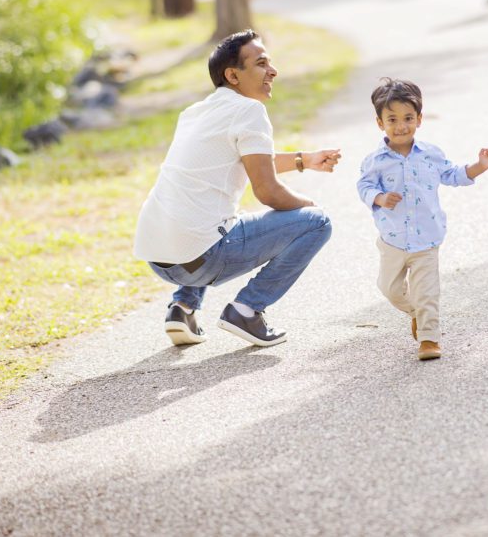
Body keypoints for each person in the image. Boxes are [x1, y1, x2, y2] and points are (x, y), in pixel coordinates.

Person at [133, 30, 340, 347]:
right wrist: (308, 210)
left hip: (158, 256)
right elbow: (268, 191)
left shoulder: (196, 113)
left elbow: (249, 159)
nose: (273, 71)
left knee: (210, 216)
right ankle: (246, 309)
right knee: (317, 223)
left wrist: (305, 160)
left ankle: (182, 308)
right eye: (261, 63)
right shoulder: (249, 110)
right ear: (232, 75)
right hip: (201, 259)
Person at [357, 79, 488, 360]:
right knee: (388, 289)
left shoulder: (430, 155)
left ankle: (429, 338)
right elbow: (363, 186)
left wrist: (480, 167)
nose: (401, 126)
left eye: (408, 118)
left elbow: (454, 174)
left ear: (419, 119)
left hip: (426, 239)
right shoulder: (375, 160)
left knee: (427, 293)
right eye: (392, 119)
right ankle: (416, 312)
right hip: (392, 239)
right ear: (380, 123)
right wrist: (379, 197)